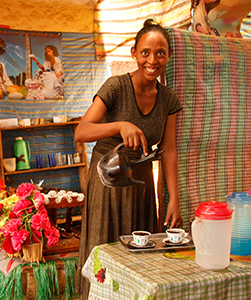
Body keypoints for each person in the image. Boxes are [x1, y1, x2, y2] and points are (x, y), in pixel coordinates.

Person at [75, 18, 183, 299]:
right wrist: (119, 125)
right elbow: (81, 131)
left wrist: (174, 198)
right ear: (134, 53)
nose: (152, 59)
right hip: (108, 182)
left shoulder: (168, 98)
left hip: (141, 184)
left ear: (168, 56)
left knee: (141, 251)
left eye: (160, 52)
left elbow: (169, 149)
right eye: (145, 52)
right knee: (105, 245)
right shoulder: (115, 87)